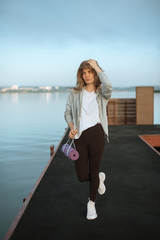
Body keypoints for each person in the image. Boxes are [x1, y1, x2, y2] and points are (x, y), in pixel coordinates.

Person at [64, 59, 112, 220]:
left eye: (90, 72)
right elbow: (68, 113)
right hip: (80, 137)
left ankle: (91, 203)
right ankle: (99, 179)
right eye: (84, 73)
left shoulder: (101, 93)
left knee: (93, 169)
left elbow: (109, 87)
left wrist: (97, 67)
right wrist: (71, 127)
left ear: (95, 73)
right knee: (81, 175)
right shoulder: (75, 93)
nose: (86, 75)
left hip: (97, 134)